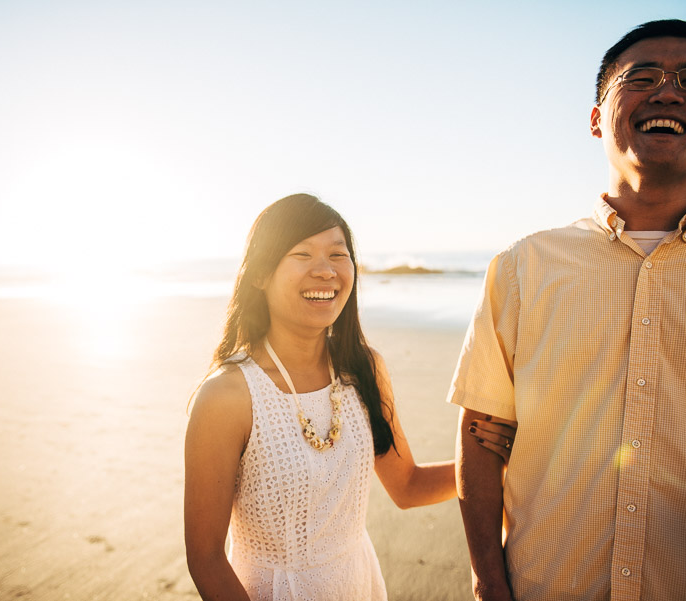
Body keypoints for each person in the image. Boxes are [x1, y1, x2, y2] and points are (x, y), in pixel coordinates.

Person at [450, 18, 686, 601]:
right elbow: (481, 436)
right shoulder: (523, 266)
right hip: (549, 583)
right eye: (641, 77)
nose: (668, 91)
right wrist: (488, 581)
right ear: (595, 119)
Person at [184, 193, 516, 600]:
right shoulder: (228, 395)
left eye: (338, 255)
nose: (325, 271)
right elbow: (205, 558)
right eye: (302, 254)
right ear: (260, 275)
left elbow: (407, 485)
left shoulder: (364, 370)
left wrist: (492, 461)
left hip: (358, 585)